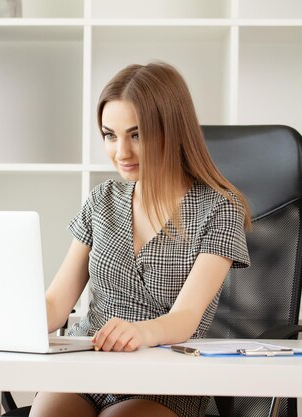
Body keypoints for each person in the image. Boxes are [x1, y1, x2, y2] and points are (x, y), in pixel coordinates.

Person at [29, 62, 251, 417]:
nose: (121, 153)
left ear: (172, 130)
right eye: (110, 135)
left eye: (136, 134)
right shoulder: (101, 200)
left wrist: (139, 332)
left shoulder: (219, 209)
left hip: (168, 375)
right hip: (90, 362)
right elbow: (56, 303)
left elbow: (186, 318)